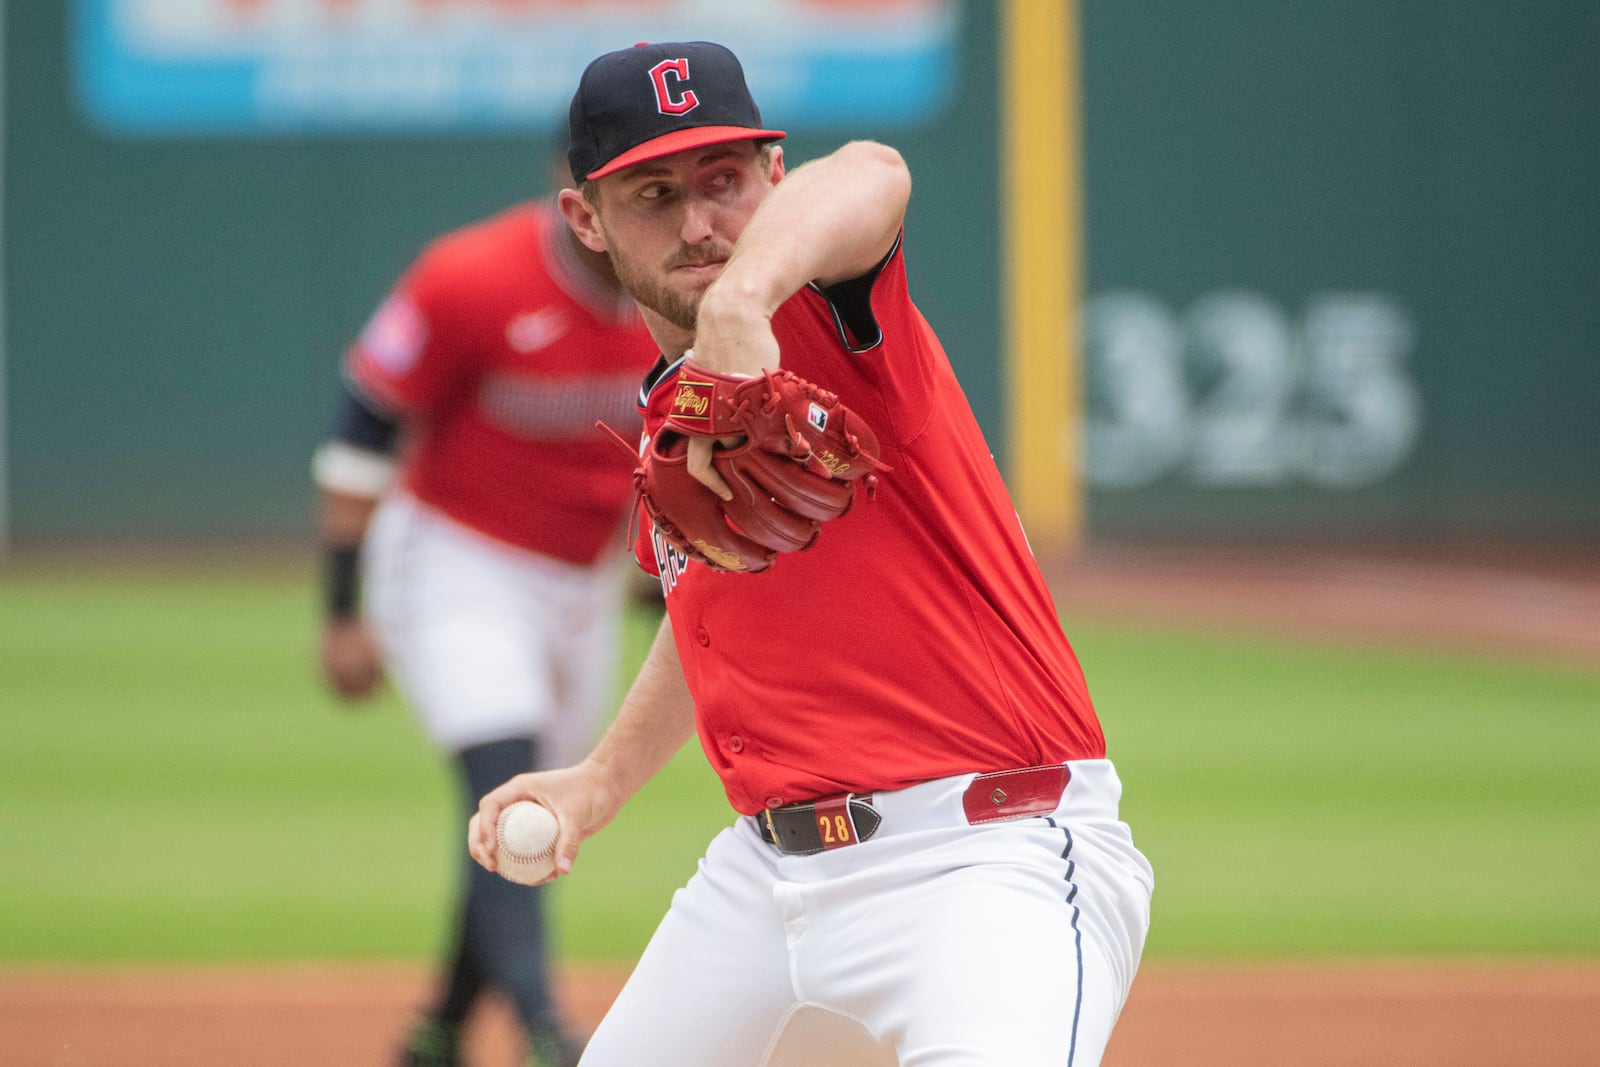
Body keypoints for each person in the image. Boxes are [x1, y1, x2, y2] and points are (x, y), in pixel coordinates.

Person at [470, 40, 1155, 1066]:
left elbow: (876, 173)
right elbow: (714, 601)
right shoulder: (681, 414)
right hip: (764, 877)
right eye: (653, 194)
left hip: (983, 858)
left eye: (724, 181)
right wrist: (599, 780)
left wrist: (744, 302)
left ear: (775, 176)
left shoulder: (828, 320)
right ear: (586, 221)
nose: (700, 220)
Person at [311, 148, 659, 1067]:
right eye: (638, 187)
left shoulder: (682, 288)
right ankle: (548, 1029)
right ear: (578, 198)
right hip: (454, 560)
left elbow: (678, 442)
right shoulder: (468, 277)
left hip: (578, 580)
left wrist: (659, 578)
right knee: (509, 794)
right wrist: (341, 609)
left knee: (529, 803)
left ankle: (442, 1030)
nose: (664, 209)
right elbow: (360, 432)